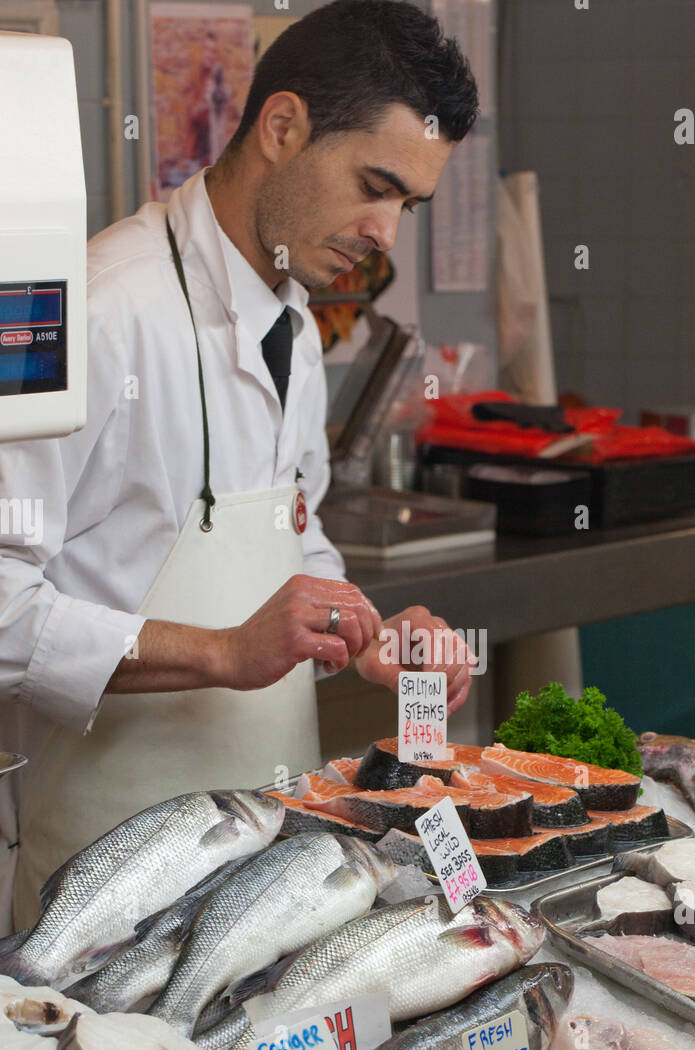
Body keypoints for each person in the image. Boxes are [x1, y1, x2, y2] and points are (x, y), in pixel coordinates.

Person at [0, 0, 480, 933]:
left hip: (267, 866)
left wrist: (362, 630)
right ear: (283, 125)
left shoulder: (292, 320)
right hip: (104, 884)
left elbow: (292, 542)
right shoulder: (94, 312)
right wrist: (219, 653)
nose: (386, 232)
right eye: (374, 185)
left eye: (408, 206)